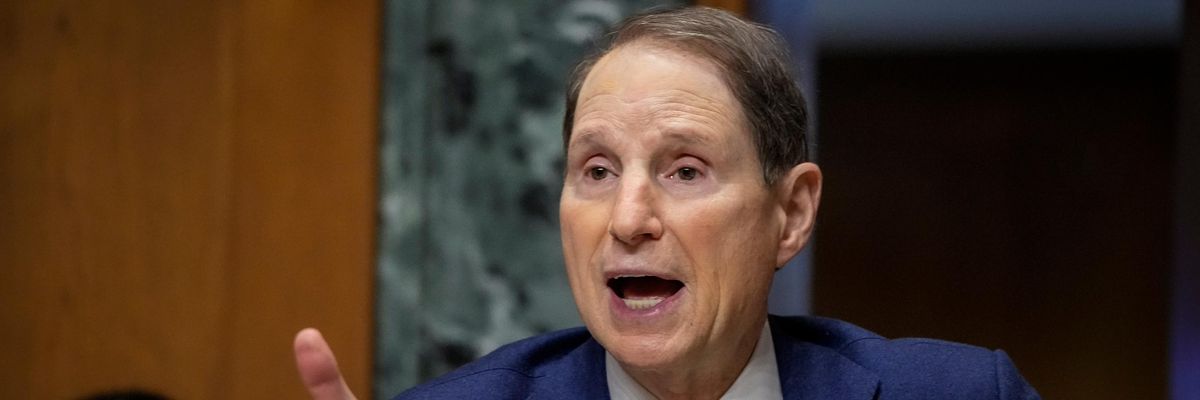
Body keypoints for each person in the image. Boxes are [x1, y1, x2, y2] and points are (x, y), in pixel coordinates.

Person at [293, 6, 1041, 400]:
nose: (627, 220)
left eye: (684, 171)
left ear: (791, 213)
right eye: (596, 171)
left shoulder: (963, 394)